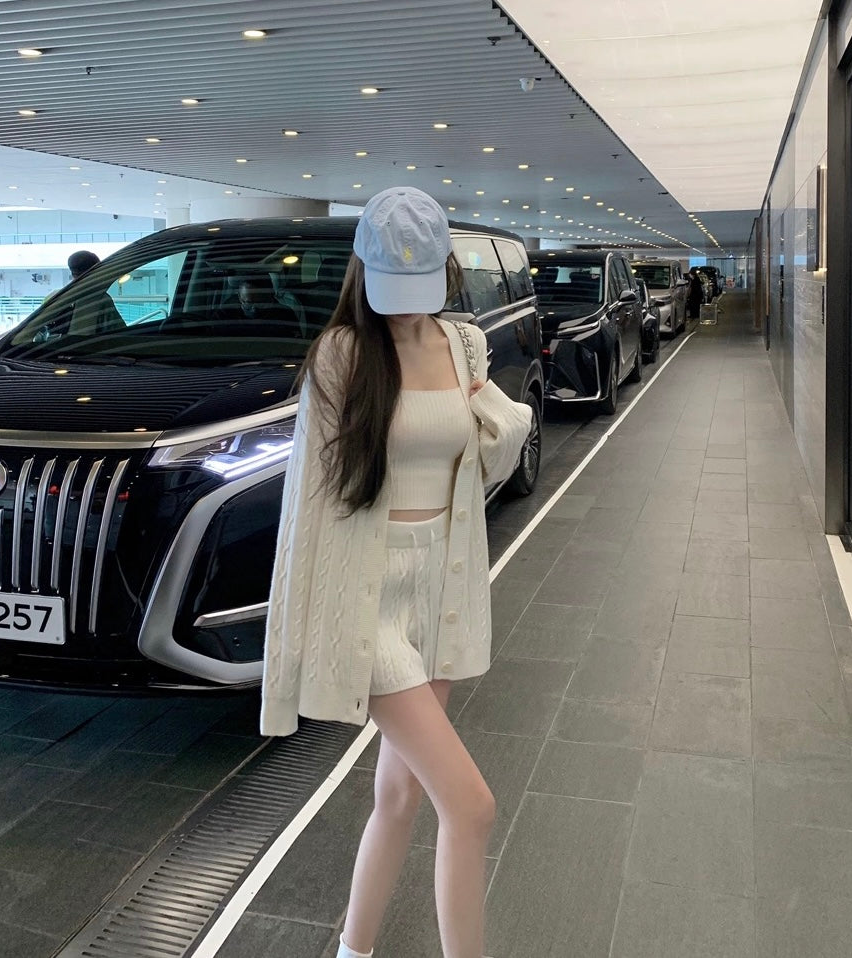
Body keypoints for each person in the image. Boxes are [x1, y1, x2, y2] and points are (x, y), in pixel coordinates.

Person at [260, 186, 532, 958]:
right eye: (392, 286)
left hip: (440, 587)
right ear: (365, 273)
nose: (407, 305)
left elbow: (486, 465)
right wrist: (294, 646)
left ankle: (353, 951)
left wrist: (496, 413)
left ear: (445, 269)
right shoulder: (343, 356)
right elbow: (307, 509)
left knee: (400, 791)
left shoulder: (462, 344)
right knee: (472, 807)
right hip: (368, 598)